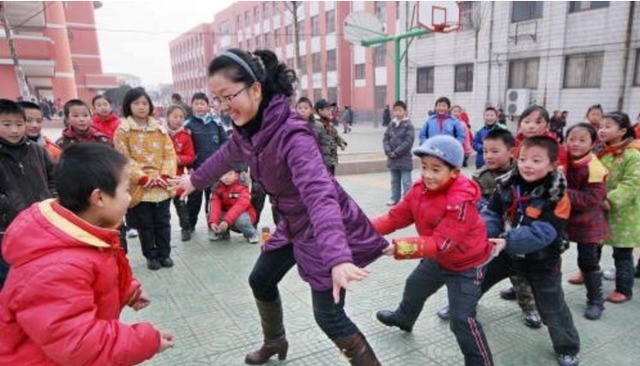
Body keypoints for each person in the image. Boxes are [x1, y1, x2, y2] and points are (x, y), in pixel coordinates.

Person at [173, 48, 389, 365]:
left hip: (322, 230)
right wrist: (194, 182)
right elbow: (226, 156)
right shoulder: (251, 130)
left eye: (228, 95)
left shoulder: (292, 134)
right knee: (261, 279)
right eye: (218, 99)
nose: (223, 106)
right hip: (292, 225)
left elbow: (319, 194)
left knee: (328, 316)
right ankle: (275, 342)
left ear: (256, 89)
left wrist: (338, 257)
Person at [0, 143, 174, 364]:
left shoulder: (78, 233)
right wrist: (147, 340)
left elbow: (95, 274)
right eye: (125, 190)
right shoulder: (56, 269)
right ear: (99, 198)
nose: (130, 198)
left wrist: (126, 291)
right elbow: (80, 345)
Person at [373, 135, 495, 366]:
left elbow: (442, 243)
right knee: (415, 286)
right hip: (439, 259)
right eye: (425, 167)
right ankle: (403, 319)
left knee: (461, 319)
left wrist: (398, 247)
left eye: (436, 169)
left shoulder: (461, 202)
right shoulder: (419, 189)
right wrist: (364, 230)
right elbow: (395, 216)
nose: (428, 174)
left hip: (466, 265)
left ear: (454, 172)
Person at [481, 136, 581, 366]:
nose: (527, 165)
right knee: (476, 280)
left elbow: (544, 232)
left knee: (552, 306)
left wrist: (506, 240)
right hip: (505, 252)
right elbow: (492, 212)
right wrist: (488, 233)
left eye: (536, 160)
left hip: (542, 260)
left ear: (552, 165)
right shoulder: (507, 184)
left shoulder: (557, 195)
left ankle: (567, 347)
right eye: (524, 159)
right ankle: (462, 310)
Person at [435, 129, 542, 329]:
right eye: (485, 151)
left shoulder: (523, 173)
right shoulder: (481, 176)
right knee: (476, 275)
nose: (488, 156)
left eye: (495, 151)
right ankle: (460, 306)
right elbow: (471, 204)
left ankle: (529, 308)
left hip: (515, 236)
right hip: (487, 237)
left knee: (520, 275)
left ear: (512, 152)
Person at [114, 87, 177, 271]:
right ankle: (151, 255)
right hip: (140, 186)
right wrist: (142, 178)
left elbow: (169, 154)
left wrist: (164, 175)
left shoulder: (160, 129)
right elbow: (123, 158)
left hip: (161, 184)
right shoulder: (123, 130)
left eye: (144, 103)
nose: (141, 107)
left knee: (163, 221)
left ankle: (165, 254)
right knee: (146, 224)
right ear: (128, 106)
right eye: (136, 103)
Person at [0, 99, 56, 289]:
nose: (14, 130)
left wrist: (51, 197)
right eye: (7, 125)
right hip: (8, 228)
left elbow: (54, 176)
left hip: (43, 221)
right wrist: (9, 204)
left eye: (18, 124)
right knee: (11, 277)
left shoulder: (37, 150)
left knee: (44, 270)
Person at [563, 123, 610, 320]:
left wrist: (561, 191)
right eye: (572, 139)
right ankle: (530, 290)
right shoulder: (563, 158)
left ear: (593, 142)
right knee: (547, 254)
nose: (575, 144)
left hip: (588, 221)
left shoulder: (594, 167)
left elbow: (591, 199)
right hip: (564, 216)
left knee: (588, 261)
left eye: (582, 140)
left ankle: (596, 301)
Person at [596, 112, 640, 304]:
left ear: (622, 131)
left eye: (608, 126)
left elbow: (632, 183)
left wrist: (611, 201)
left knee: (622, 252)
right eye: (601, 126)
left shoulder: (632, 154)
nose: (602, 130)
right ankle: (588, 273)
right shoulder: (600, 151)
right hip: (598, 207)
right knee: (592, 245)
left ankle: (623, 289)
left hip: (623, 212)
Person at [184, 92, 228, 234]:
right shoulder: (188, 125)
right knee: (193, 200)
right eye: (196, 104)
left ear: (208, 106)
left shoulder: (216, 123)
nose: (199, 107)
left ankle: (213, 224)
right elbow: (186, 148)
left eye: (202, 103)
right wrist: (189, 167)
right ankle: (189, 226)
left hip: (214, 171)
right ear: (192, 106)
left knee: (213, 199)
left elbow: (225, 144)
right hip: (197, 170)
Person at [166, 104, 195, 242]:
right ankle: (163, 233)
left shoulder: (185, 135)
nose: (178, 120)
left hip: (177, 178)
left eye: (181, 117)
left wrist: (178, 159)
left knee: (181, 206)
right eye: (175, 116)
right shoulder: (160, 133)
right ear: (167, 117)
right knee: (163, 210)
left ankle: (186, 228)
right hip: (161, 178)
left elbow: (190, 156)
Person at [208, 169, 259, 244]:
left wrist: (226, 220)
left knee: (241, 220)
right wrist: (213, 221)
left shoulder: (243, 188)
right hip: (227, 216)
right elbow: (215, 206)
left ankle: (251, 233)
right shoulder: (217, 188)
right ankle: (222, 232)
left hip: (243, 215)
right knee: (212, 214)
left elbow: (240, 206)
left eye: (230, 174)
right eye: (223, 174)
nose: (226, 177)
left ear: (236, 176)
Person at [383, 100, 414, 206]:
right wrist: (388, 151)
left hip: (404, 159)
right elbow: (385, 139)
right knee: (394, 180)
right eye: (395, 110)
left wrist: (396, 152)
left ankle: (408, 201)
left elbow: (408, 142)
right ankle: (394, 198)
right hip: (392, 159)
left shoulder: (408, 125)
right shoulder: (391, 124)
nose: (397, 113)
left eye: (400, 110)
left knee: (406, 182)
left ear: (405, 111)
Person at [296, 97, 331, 167]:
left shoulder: (318, 126)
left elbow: (324, 145)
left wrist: (324, 163)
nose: (302, 110)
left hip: (315, 163)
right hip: (297, 163)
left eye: (305, 108)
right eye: (300, 108)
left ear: (311, 110)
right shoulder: (291, 126)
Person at [316, 98, 347, 176]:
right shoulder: (316, 124)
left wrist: (341, 143)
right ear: (320, 110)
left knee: (331, 180)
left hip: (331, 158)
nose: (331, 111)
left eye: (331, 109)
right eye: (328, 109)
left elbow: (335, 135)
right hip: (322, 160)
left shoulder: (329, 123)